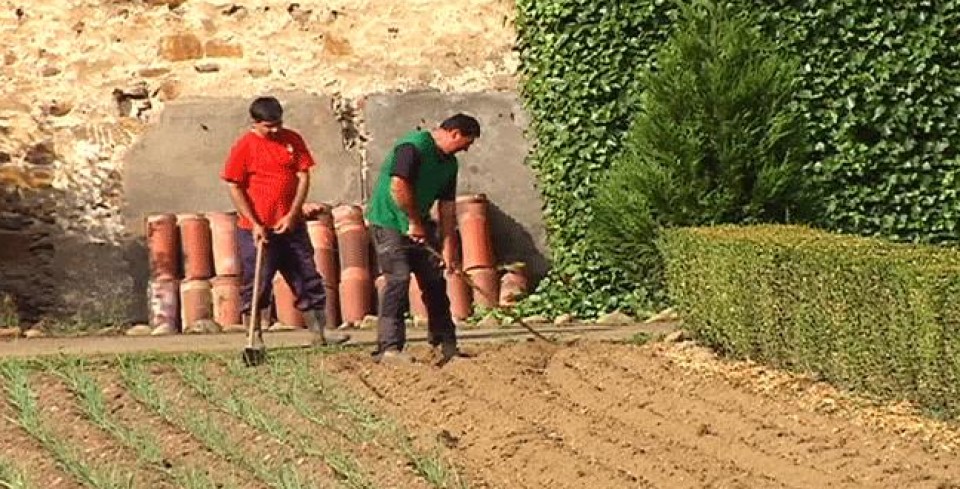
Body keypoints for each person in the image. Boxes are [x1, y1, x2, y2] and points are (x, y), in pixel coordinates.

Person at [220, 96, 349, 348]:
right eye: (269, 126)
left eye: (278, 123)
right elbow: (234, 185)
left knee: (307, 275)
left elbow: (302, 176)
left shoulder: (293, 139)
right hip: (258, 230)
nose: (275, 130)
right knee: (258, 283)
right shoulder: (244, 146)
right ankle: (255, 335)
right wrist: (254, 222)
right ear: (255, 123)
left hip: (292, 226)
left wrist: (292, 214)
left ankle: (320, 331)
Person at [365, 113, 481, 364]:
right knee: (398, 279)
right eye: (466, 143)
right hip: (388, 221)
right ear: (454, 134)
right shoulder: (413, 147)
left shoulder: (450, 165)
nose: (467, 149)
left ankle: (445, 344)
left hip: (418, 222)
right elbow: (398, 186)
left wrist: (449, 250)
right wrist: (414, 222)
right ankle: (389, 348)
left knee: (434, 281)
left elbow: (447, 210)